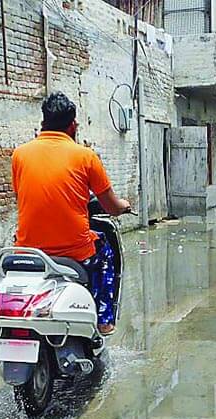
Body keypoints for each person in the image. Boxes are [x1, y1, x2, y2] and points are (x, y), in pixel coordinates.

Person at [11, 92, 130, 335]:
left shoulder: (19, 155)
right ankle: (104, 319)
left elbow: (21, 198)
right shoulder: (85, 156)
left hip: (28, 250)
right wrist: (123, 206)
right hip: (75, 252)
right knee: (105, 253)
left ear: (43, 122)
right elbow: (110, 207)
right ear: (72, 125)